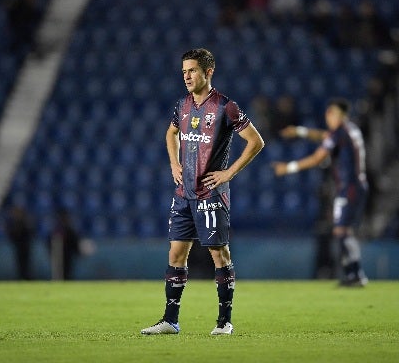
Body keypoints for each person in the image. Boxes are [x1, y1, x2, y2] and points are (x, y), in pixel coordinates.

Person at [140, 48, 264, 335]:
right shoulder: (181, 105)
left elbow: (255, 141)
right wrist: (174, 163)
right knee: (175, 255)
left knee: (219, 254)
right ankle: (170, 321)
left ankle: (224, 322)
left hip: (211, 194)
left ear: (209, 72)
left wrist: (229, 173)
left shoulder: (226, 106)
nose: (186, 76)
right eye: (184, 71)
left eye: (192, 70)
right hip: (184, 193)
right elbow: (170, 133)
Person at [272, 99, 368, 286]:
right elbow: (325, 136)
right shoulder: (350, 130)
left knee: (341, 231)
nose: (327, 118)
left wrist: (288, 168)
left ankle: (354, 274)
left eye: (329, 115)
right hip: (357, 185)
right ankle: (354, 274)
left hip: (348, 187)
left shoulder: (340, 131)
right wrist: (301, 131)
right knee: (345, 231)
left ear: (336, 115)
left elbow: (318, 158)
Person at [5, 205, 34, 280]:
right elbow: (11, 235)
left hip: (25, 246)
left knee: (26, 264)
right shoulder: (14, 223)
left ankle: (26, 277)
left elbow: (30, 233)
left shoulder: (25, 222)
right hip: (18, 246)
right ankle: (21, 277)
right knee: (19, 264)